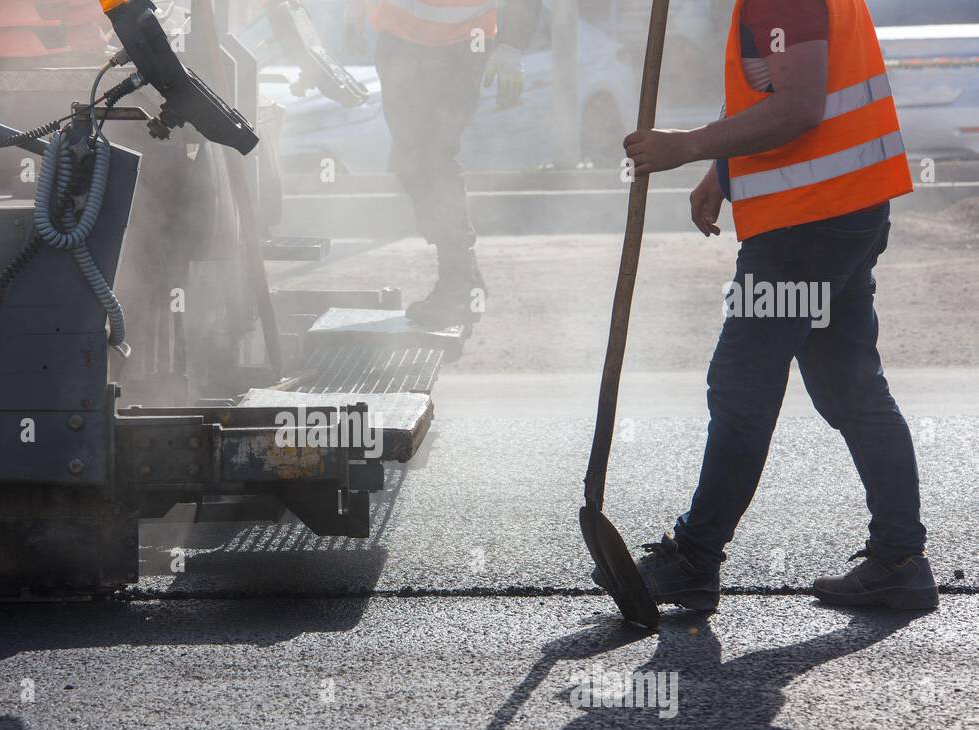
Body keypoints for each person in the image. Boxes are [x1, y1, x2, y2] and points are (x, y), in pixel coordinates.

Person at [606, 0, 937, 611]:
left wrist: (688, 145)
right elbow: (771, 85)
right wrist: (724, 170)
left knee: (742, 384)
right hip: (838, 211)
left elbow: (800, 106)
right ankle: (900, 560)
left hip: (807, 227)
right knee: (849, 386)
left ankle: (696, 557)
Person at [347, 0, 542, 325]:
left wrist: (512, 43)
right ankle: (462, 273)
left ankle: (457, 282)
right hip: (398, 42)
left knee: (434, 159)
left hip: (461, 46)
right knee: (411, 161)